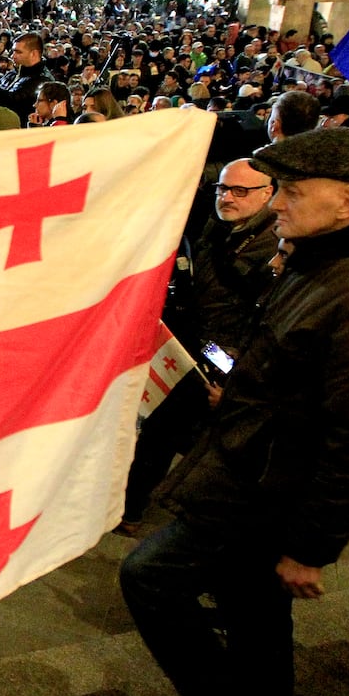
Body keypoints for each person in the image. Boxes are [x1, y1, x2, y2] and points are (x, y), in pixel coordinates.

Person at [120, 128, 349, 696]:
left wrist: (313, 545)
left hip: (266, 480)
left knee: (150, 575)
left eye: (292, 190)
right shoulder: (327, 253)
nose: (278, 203)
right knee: (249, 600)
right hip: (255, 454)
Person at [118, 159, 279, 532]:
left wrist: (235, 378)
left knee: (177, 431)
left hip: (219, 356)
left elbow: (265, 321)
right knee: (161, 426)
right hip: (187, 340)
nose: (228, 197)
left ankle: (149, 510)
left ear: (267, 193)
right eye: (223, 188)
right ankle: (135, 504)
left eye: (241, 191)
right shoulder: (219, 225)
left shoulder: (271, 247)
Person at [0, 32, 52, 124]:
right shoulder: (14, 73)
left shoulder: (43, 80)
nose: (13, 56)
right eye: (13, 51)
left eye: (18, 52)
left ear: (34, 54)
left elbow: (12, 104)